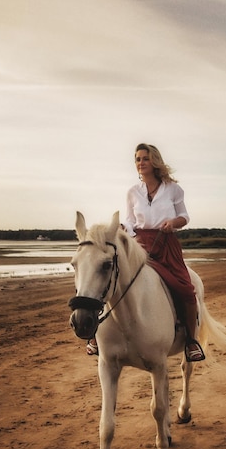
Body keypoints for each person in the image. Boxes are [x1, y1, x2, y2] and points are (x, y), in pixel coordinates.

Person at [87, 143, 205, 362]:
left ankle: (190, 341)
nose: (141, 163)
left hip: (166, 243)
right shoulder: (132, 192)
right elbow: (131, 220)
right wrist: (124, 229)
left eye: (145, 159)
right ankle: (96, 336)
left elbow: (185, 216)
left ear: (155, 161)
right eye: (138, 159)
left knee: (185, 289)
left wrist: (173, 222)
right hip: (139, 244)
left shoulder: (173, 189)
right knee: (112, 281)